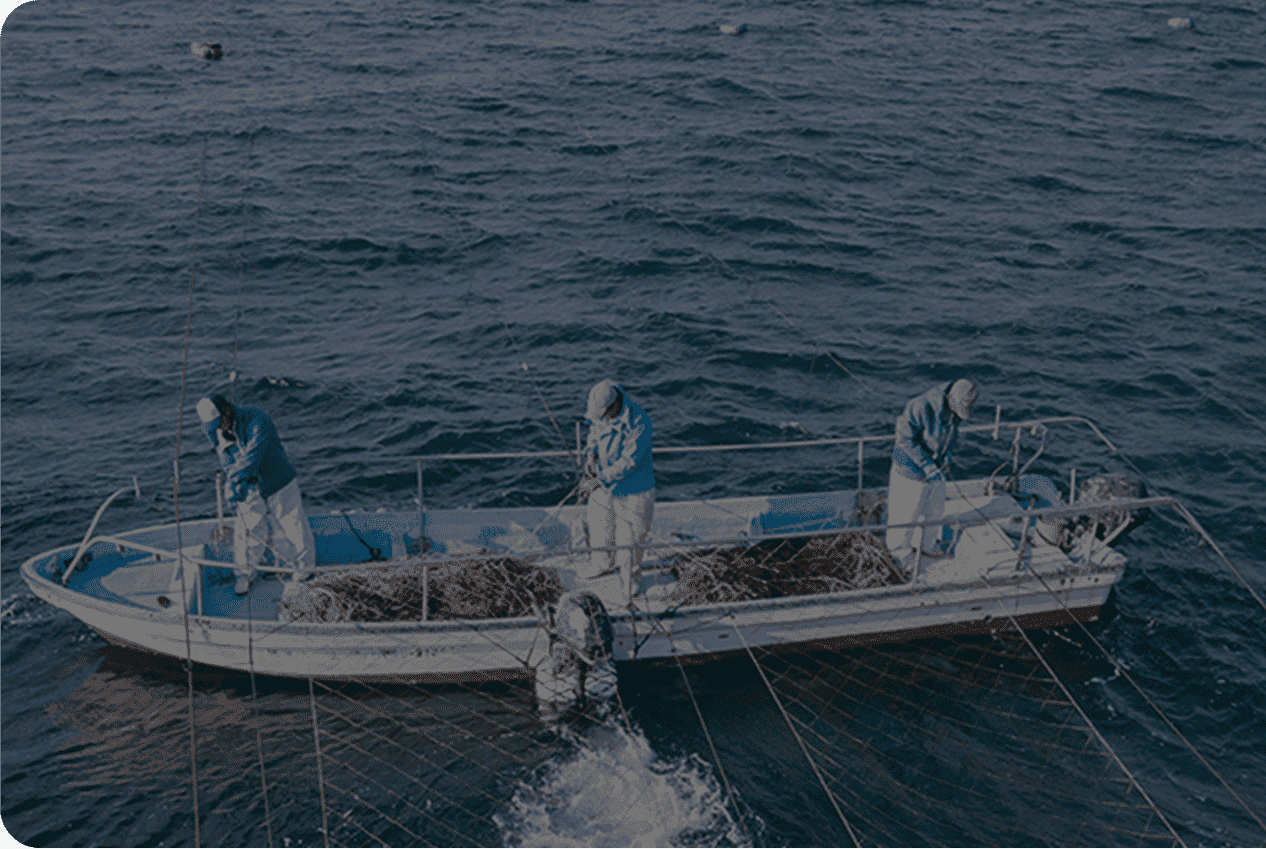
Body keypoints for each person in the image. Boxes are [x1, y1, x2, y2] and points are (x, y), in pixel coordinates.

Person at [196, 393, 316, 595]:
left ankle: (303, 570)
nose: (219, 429)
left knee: (292, 525)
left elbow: (254, 454)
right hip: (249, 486)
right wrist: (235, 481)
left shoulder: (256, 419)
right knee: (247, 531)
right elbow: (224, 455)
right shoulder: (215, 431)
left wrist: (234, 480)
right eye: (213, 426)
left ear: (228, 411)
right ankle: (244, 574)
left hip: (278, 481)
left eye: (220, 423)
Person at [885, 379, 978, 571]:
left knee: (934, 511)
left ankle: (926, 547)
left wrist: (946, 457)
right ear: (950, 399)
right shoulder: (919, 406)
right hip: (910, 472)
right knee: (905, 517)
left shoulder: (954, 411)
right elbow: (904, 439)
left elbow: (952, 435)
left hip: (936, 468)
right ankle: (899, 560)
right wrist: (926, 464)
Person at [578, 380, 655, 603]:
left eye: (603, 414)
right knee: (599, 524)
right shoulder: (602, 414)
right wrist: (590, 454)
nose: (601, 419)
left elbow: (630, 461)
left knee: (630, 535)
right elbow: (594, 432)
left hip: (634, 488)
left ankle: (631, 575)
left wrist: (599, 479)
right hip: (603, 482)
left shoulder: (639, 421)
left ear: (613, 407)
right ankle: (602, 564)